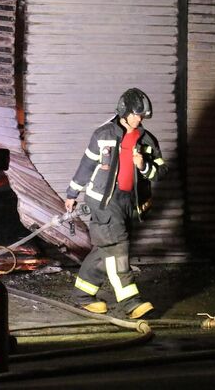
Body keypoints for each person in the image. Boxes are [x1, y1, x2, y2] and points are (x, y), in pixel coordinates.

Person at [64, 88, 167, 319]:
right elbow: (86, 166)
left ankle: (83, 295)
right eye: (137, 114)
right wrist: (72, 194)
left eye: (142, 116)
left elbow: (161, 171)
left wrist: (143, 167)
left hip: (129, 203)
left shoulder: (147, 140)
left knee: (106, 250)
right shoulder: (102, 135)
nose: (140, 119)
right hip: (103, 202)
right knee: (118, 247)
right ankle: (130, 302)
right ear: (124, 111)